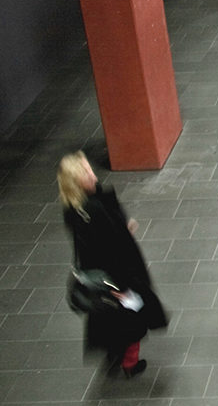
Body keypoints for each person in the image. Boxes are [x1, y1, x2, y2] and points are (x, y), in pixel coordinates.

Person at [58, 152, 168, 378]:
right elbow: (111, 249)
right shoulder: (93, 211)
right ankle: (130, 363)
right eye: (86, 173)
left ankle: (114, 354)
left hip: (102, 278)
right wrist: (123, 286)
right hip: (118, 275)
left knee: (109, 320)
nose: (92, 175)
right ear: (76, 182)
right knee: (133, 319)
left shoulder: (74, 208)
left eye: (89, 169)